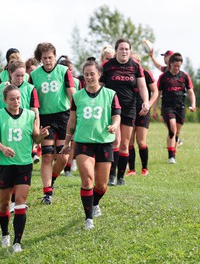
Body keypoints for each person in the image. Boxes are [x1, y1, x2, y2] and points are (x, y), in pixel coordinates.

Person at [60, 58, 121, 230]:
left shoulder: (111, 94)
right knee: (87, 180)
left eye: (92, 74)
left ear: (99, 74)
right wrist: (67, 142)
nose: (89, 77)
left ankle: (94, 203)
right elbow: (71, 122)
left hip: (104, 142)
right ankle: (89, 219)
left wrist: (114, 126)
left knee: (101, 185)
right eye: (86, 74)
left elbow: (116, 116)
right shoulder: (77, 96)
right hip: (83, 142)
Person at [0, 84, 49, 253]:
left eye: (18, 98)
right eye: (12, 99)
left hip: (24, 163)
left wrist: (42, 136)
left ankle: (17, 242)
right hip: (6, 164)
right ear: (5, 100)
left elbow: (36, 139)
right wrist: (3, 148)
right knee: (4, 204)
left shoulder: (31, 115)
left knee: (21, 202)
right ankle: (5, 234)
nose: (16, 102)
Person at [29, 42, 76, 204]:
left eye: (50, 57)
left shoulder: (64, 71)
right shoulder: (34, 75)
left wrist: (77, 115)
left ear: (55, 57)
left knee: (63, 157)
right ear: (40, 59)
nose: (48, 61)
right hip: (45, 118)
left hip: (63, 117)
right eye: (44, 58)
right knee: (47, 155)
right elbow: (31, 99)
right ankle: (47, 192)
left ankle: (52, 179)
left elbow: (72, 96)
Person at [99, 38, 149, 186]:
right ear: (116, 51)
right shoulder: (107, 66)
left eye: (127, 49)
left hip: (129, 107)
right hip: (111, 108)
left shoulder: (136, 66)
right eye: (121, 49)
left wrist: (145, 101)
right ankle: (112, 176)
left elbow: (142, 86)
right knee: (115, 141)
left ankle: (121, 177)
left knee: (125, 144)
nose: (124, 51)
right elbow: (100, 85)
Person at [152, 52, 196, 164]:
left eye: (179, 66)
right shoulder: (163, 77)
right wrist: (154, 109)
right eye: (175, 66)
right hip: (167, 107)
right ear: (170, 64)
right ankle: (171, 157)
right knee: (172, 127)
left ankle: (173, 153)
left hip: (180, 107)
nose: (177, 68)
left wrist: (193, 104)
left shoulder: (184, 76)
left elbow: (191, 91)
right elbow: (157, 93)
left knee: (176, 132)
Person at [126, 52, 159, 176]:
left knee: (141, 142)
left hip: (143, 111)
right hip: (129, 110)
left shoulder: (146, 73)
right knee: (129, 142)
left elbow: (155, 92)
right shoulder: (126, 74)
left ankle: (145, 169)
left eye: (134, 62)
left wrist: (148, 105)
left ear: (138, 63)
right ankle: (132, 170)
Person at [58, 56, 80, 176]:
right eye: (68, 70)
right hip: (63, 114)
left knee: (73, 141)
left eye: (72, 70)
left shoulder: (77, 82)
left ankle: (69, 166)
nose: (70, 72)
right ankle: (60, 163)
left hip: (73, 113)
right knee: (63, 142)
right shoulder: (59, 81)